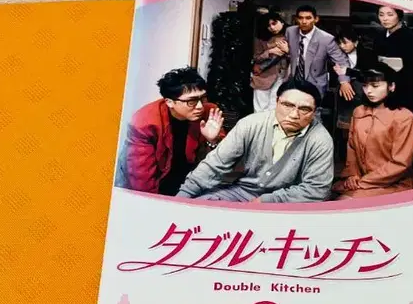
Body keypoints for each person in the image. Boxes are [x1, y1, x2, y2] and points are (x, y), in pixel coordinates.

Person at [176, 78, 333, 203]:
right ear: (277, 101)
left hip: (289, 202)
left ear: (314, 112)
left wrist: (268, 201)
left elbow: (317, 190)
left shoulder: (320, 139)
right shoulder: (251, 123)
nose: (294, 115)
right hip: (241, 193)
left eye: (304, 109)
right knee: (200, 207)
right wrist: (181, 198)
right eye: (287, 105)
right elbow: (215, 165)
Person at [118, 67, 224, 195]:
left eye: (203, 98)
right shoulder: (144, 123)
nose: (200, 106)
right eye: (191, 101)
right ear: (169, 102)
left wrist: (213, 141)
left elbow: (224, 163)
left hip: (190, 181)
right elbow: (143, 182)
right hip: (155, 182)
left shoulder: (210, 113)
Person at [333, 65, 413, 199]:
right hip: (358, 180)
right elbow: (352, 147)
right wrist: (352, 174)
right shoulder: (359, 111)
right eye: (365, 86)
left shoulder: (405, 118)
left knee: (344, 202)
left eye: (375, 86)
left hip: (391, 183)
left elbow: (400, 163)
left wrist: (363, 182)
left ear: (391, 86)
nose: (369, 91)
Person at [285, 4, 354, 101]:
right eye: (300, 18)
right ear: (296, 19)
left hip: (315, 83)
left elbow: (342, 61)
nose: (304, 21)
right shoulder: (290, 31)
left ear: (316, 19)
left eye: (308, 18)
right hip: (294, 82)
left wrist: (344, 81)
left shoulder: (326, 39)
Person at [373, 6, 413, 113]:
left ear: (399, 16)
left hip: (404, 90)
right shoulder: (379, 36)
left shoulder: (411, 37)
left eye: (390, 14)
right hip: (381, 89)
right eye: (381, 15)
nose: (385, 19)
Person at [251, 11, 289, 112]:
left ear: (282, 22)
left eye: (274, 23)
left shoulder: (290, 36)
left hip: (282, 77)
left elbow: (298, 58)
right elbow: (256, 58)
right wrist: (270, 51)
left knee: (274, 108)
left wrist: (287, 51)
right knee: (260, 109)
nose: (272, 27)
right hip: (263, 76)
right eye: (268, 26)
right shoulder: (261, 39)